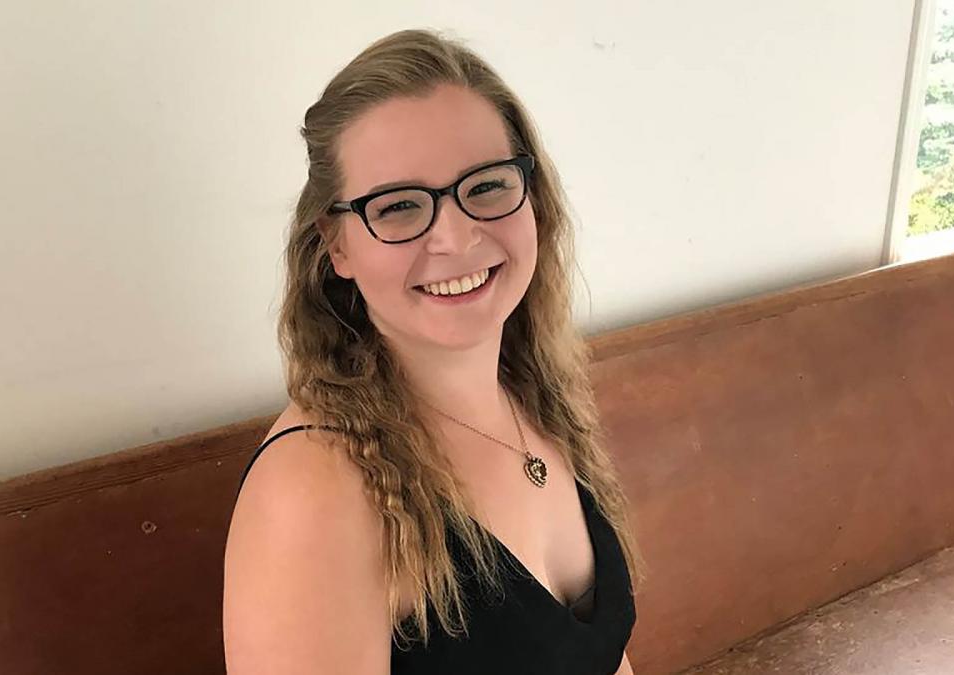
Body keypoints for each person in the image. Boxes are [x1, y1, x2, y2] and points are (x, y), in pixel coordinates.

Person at [223, 28, 645, 674]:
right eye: (397, 206)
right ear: (337, 246)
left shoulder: (536, 395)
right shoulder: (313, 486)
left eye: (485, 186)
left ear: (531, 196)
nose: (454, 235)